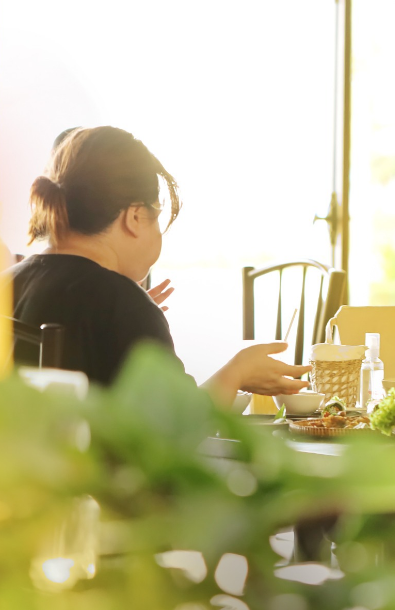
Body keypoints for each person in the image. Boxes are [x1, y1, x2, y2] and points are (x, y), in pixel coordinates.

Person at [8, 125, 309, 405]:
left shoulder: (9, 282)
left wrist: (128, 320)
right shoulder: (122, 304)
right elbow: (178, 429)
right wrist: (237, 372)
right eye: (158, 215)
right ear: (135, 216)